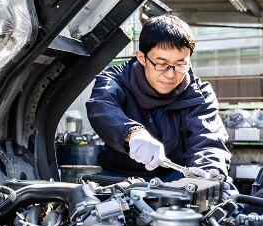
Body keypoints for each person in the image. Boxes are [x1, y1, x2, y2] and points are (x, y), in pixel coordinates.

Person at [86, 14, 230, 181]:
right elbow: (102, 107)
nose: (170, 74)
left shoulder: (199, 94)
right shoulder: (114, 80)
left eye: (180, 64)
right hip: (118, 177)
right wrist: (134, 134)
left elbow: (208, 140)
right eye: (161, 64)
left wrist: (208, 170)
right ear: (142, 58)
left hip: (175, 177)